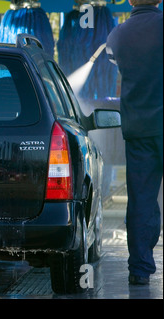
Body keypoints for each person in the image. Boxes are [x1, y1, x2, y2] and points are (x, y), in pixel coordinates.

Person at [106, 0, 163, 285]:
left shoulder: (117, 35)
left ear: (130, 0)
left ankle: (139, 271)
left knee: (141, 201)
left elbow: (115, 63)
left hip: (139, 128)